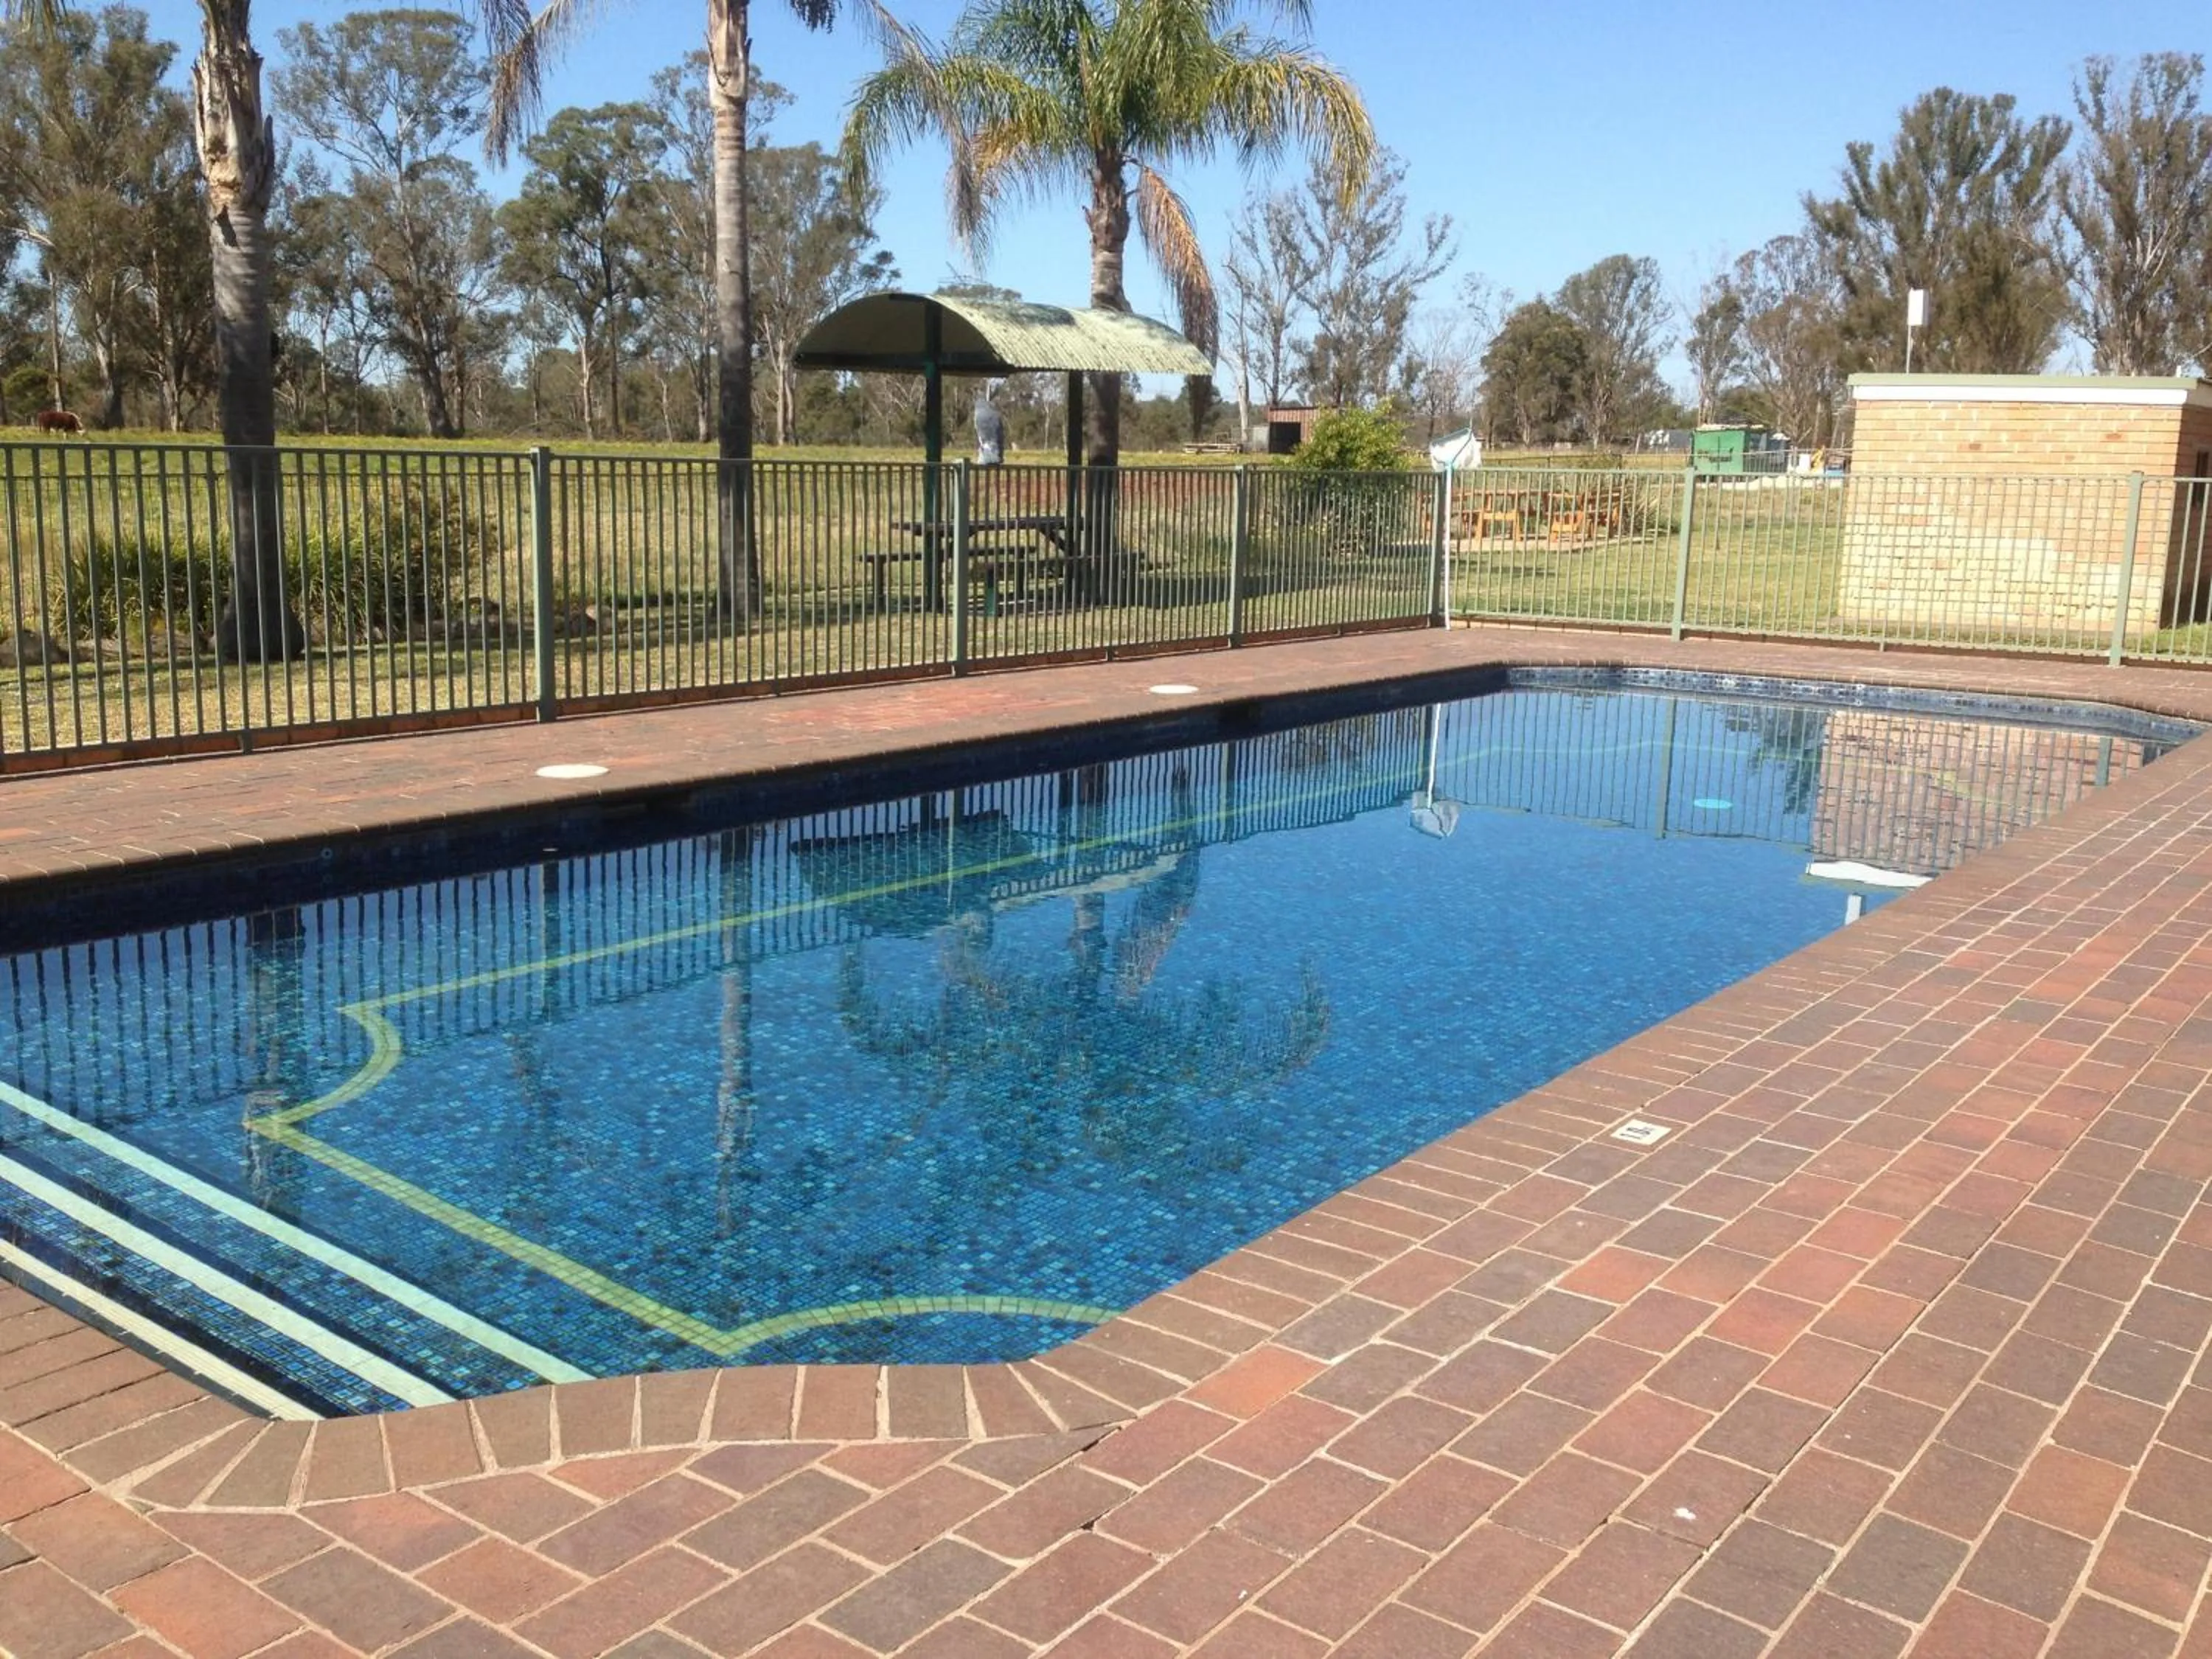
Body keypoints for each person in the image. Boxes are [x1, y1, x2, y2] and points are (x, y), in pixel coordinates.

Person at [974, 383, 1006, 467]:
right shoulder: (994, 414)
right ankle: (992, 456)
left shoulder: (981, 412)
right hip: (993, 448)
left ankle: (990, 456)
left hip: (990, 446)